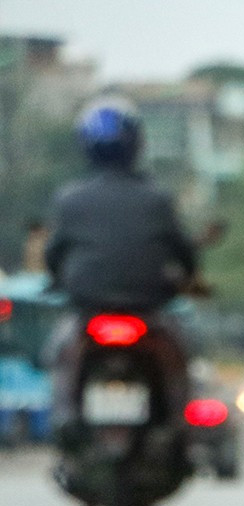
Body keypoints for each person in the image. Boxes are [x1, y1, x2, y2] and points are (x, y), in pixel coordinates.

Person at [44, 98, 201, 434]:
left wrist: (57, 280)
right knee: (179, 351)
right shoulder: (158, 198)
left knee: (60, 350)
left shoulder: (70, 198)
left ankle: (65, 413)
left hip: (89, 309)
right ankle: (177, 418)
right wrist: (185, 280)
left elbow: (53, 255)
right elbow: (185, 253)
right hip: (148, 307)